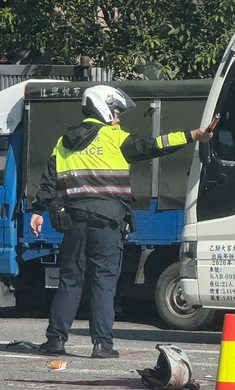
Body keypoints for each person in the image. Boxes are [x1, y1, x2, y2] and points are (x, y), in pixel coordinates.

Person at [30, 85, 212, 358]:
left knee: (70, 279)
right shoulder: (114, 138)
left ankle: (55, 340)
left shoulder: (63, 142)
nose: (118, 118)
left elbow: (48, 181)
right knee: (103, 281)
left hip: (74, 221)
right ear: (102, 109)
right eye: (116, 112)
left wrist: (37, 210)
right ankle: (102, 345)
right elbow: (154, 145)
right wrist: (193, 135)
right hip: (107, 221)